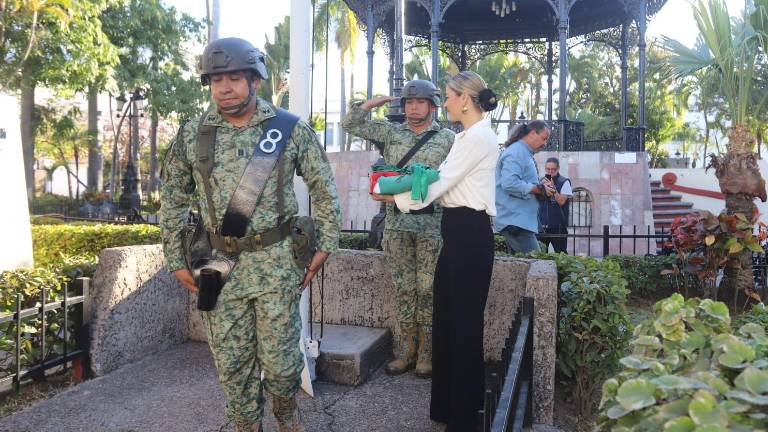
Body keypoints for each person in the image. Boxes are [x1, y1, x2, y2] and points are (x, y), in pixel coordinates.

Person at [159, 37, 341, 432]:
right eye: (216, 79)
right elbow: (172, 198)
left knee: (281, 365)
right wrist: (176, 260)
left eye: (234, 78)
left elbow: (324, 188)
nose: (224, 87)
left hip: (276, 264)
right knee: (232, 363)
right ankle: (246, 425)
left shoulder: (289, 129)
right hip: (216, 265)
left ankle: (288, 415)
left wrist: (325, 244)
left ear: (255, 81)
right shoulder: (194, 134)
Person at [373, 71, 499, 432]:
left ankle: (462, 417)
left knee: (462, 326)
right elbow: (433, 176)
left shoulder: (478, 139)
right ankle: (450, 407)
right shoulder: (467, 137)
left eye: (447, 96)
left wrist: (392, 196)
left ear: (464, 98)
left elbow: (440, 183)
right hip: (456, 234)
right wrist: (401, 185)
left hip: (469, 235)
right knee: (448, 320)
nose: (443, 103)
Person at [341, 80, 454, 378]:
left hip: (433, 225)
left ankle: (427, 355)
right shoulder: (391, 132)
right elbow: (349, 124)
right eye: (408, 102)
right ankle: (406, 352)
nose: (413, 106)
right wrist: (371, 104)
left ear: (433, 105)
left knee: (428, 290)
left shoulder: (448, 139)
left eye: (419, 101)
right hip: (397, 225)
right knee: (405, 289)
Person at [495, 120, 554, 254]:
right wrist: (537, 189)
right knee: (538, 265)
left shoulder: (522, 152)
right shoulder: (517, 152)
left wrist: (540, 186)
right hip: (516, 221)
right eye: (544, 139)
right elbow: (509, 183)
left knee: (519, 269)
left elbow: (517, 182)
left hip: (517, 220)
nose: (545, 143)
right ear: (533, 133)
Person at [538, 157, 572, 253]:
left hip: (558, 225)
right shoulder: (541, 181)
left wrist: (553, 188)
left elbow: (561, 201)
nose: (550, 171)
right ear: (545, 168)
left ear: (558, 169)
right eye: (548, 169)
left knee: (561, 253)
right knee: (540, 253)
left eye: (553, 169)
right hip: (542, 225)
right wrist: (540, 188)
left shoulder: (564, 182)